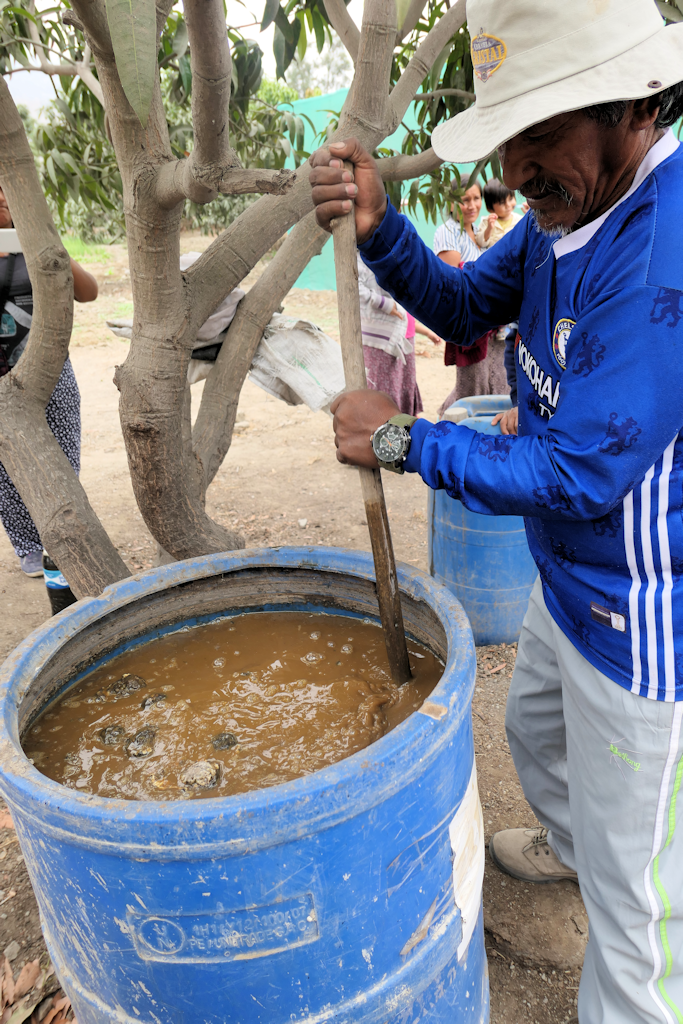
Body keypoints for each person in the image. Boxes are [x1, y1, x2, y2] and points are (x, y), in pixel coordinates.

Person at [309, 0, 683, 1019]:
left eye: (537, 136)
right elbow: (469, 305)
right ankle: (573, 843)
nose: (513, 168)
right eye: (507, 137)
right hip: (569, 582)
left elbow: (575, 473)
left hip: (644, 621)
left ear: (627, 108)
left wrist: (400, 439)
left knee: (640, 911)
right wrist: (382, 228)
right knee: (534, 732)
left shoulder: (660, 252)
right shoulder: (566, 213)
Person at [0, 186, 98, 576]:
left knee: (62, 457)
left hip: (51, 372)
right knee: (6, 467)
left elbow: (88, 292)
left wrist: (50, 247)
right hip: (3, 384)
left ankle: (63, 537)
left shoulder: (36, 244)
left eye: (7, 190)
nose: (3, 198)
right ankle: (27, 545)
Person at [433, 178, 509, 413]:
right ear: (452, 202)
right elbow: (453, 281)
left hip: (492, 323)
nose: (472, 205)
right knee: (472, 387)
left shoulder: (479, 230)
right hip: (471, 325)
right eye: (465, 200)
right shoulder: (447, 232)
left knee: (497, 383)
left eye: (476, 198)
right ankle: (449, 425)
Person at [357, 254, 440, 415]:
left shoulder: (395, 250)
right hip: (380, 335)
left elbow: (409, 319)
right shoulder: (358, 257)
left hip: (404, 335)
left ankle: (404, 424)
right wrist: (385, 304)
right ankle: (384, 426)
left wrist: (428, 332)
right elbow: (356, 290)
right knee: (383, 388)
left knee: (404, 384)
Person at [475, 178, 522, 249]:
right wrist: (489, 229)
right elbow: (480, 243)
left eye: (510, 199)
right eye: (502, 203)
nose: (508, 205)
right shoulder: (486, 222)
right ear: (490, 208)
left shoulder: (520, 220)